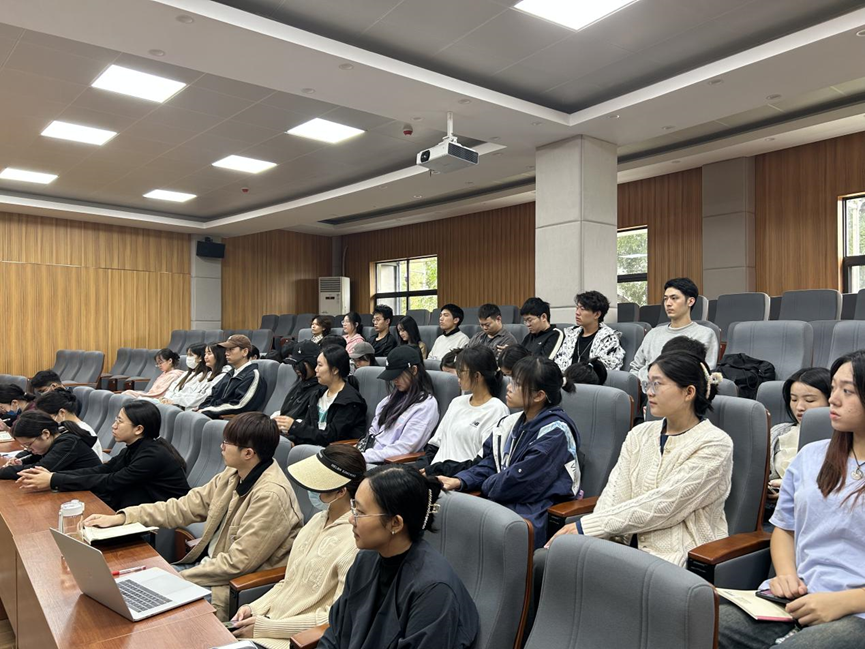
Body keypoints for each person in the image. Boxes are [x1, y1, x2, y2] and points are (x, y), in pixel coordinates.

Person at [84, 412, 303, 620]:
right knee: (119, 592)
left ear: (248, 453)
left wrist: (173, 578)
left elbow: (238, 564)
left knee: (135, 602)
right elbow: (183, 507)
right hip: (207, 569)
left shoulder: (270, 495)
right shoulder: (233, 473)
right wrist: (123, 518)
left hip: (228, 585)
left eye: (227, 443)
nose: (221, 446)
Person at [717, 350, 865, 649]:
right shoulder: (811, 455)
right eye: (833, 388)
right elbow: (785, 529)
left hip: (856, 611)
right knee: (699, 626)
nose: (834, 399)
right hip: (797, 595)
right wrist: (786, 575)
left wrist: (845, 602)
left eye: (847, 391)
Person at [548, 351, 733, 566]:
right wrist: (595, 540)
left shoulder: (715, 444)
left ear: (688, 392)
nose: (649, 392)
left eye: (657, 384)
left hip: (676, 556)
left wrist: (586, 527)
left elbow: (665, 504)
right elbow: (615, 492)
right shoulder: (640, 433)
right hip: (622, 545)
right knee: (552, 560)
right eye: (648, 384)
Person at [317, 464, 479, 649]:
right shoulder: (365, 560)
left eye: (360, 512)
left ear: (395, 523)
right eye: (354, 508)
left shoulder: (433, 590)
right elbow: (335, 633)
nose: (351, 519)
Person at [438, 356, 580, 548]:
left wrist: (487, 484)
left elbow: (519, 481)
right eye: (511, 380)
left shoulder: (556, 433)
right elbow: (489, 463)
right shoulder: (509, 423)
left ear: (539, 395)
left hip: (531, 511)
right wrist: (461, 480)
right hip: (501, 500)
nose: (509, 387)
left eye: (517, 384)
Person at [230, 445, 366, 645]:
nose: (311, 491)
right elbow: (289, 582)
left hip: (295, 641)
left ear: (341, 492)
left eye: (318, 486)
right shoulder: (317, 520)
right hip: (266, 623)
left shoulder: (356, 541)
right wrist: (254, 608)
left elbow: (334, 616)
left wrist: (266, 627)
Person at [17, 401, 190, 510]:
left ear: (138, 429)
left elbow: (111, 481)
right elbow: (102, 469)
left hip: (168, 512)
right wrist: (53, 476)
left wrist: (54, 480)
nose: (114, 426)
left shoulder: (152, 455)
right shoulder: (134, 448)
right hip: (144, 502)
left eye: (120, 421)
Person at [420, 346, 509, 478]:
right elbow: (435, 445)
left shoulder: (496, 410)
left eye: (461, 371)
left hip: (457, 479)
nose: (457, 375)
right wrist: (420, 468)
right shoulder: (457, 402)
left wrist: (440, 469)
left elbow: (482, 462)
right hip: (433, 474)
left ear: (477, 376)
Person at [629, 278, 718, 388]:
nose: (668, 303)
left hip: (679, 392)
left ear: (690, 301)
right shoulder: (653, 333)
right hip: (644, 390)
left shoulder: (705, 334)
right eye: (665, 299)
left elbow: (704, 374)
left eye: (674, 298)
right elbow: (635, 367)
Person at [358, 346, 438, 465]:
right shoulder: (388, 400)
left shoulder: (425, 405)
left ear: (414, 370)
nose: (394, 380)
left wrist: (363, 457)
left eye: (398, 375)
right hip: (369, 457)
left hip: (390, 464)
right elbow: (372, 433)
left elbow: (405, 448)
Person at [283, 346, 367, 447]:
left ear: (335, 370)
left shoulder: (350, 402)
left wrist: (295, 427)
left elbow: (330, 437)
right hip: (313, 447)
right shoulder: (317, 394)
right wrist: (292, 440)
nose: (316, 369)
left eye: (320, 365)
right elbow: (309, 428)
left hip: (334, 452)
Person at [768, 368, 831, 496]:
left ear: (831, 400)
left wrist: (792, 491)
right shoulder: (779, 432)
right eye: (794, 399)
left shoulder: (847, 439)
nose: (799, 407)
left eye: (809, 400)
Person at [0, 410, 101, 479]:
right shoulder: (55, 438)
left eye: (29, 444)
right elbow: (31, 454)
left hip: (95, 494)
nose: (29, 449)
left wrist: (4, 471)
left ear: (45, 434)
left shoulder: (68, 443)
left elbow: (40, 470)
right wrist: (19, 459)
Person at [199, 335, 267, 419]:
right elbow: (213, 394)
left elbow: (240, 405)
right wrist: (201, 407)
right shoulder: (230, 373)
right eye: (226, 349)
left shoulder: (252, 376)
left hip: (235, 421)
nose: (226, 353)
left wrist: (207, 411)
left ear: (245, 352)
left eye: (231, 349)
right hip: (215, 414)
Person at [554, 291, 625, 372]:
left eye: (582, 309)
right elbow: (559, 363)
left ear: (597, 314)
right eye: (577, 308)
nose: (577, 313)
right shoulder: (571, 335)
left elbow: (604, 371)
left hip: (589, 379)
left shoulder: (608, 339)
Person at [34, 388, 103, 457]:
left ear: (61, 412)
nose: (45, 421)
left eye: (47, 417)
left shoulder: (81, 432)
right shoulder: (63, 428)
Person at [273, 341, 321, 435]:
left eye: (300, 364)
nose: (296, 368)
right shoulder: (300, 383)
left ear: (312, 363)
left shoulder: (320, 389)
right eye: (294, 364)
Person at [159, 343, 225, 410]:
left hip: (188, 408)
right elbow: (173, 388)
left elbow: (202, 396)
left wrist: (174, 400)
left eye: (209, 353)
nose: (205, 357)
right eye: (205, 354)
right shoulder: (187, 373)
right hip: (177, 405)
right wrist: (166, 398)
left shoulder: (214, 375)